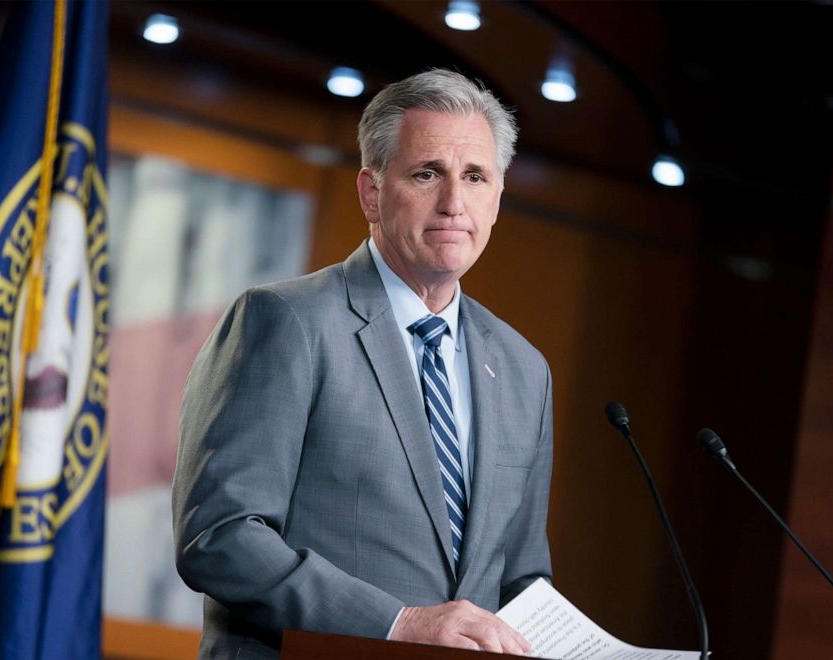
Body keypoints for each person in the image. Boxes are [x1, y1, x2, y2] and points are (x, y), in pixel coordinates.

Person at [172, 69, 554, 659]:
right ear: (371, 193)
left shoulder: (526, 370)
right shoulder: (285, 321)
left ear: (498, 198)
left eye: (475, 177)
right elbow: (220, 536)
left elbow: (523, 579)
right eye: (427, 173)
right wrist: (399, 623)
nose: (454, 202)